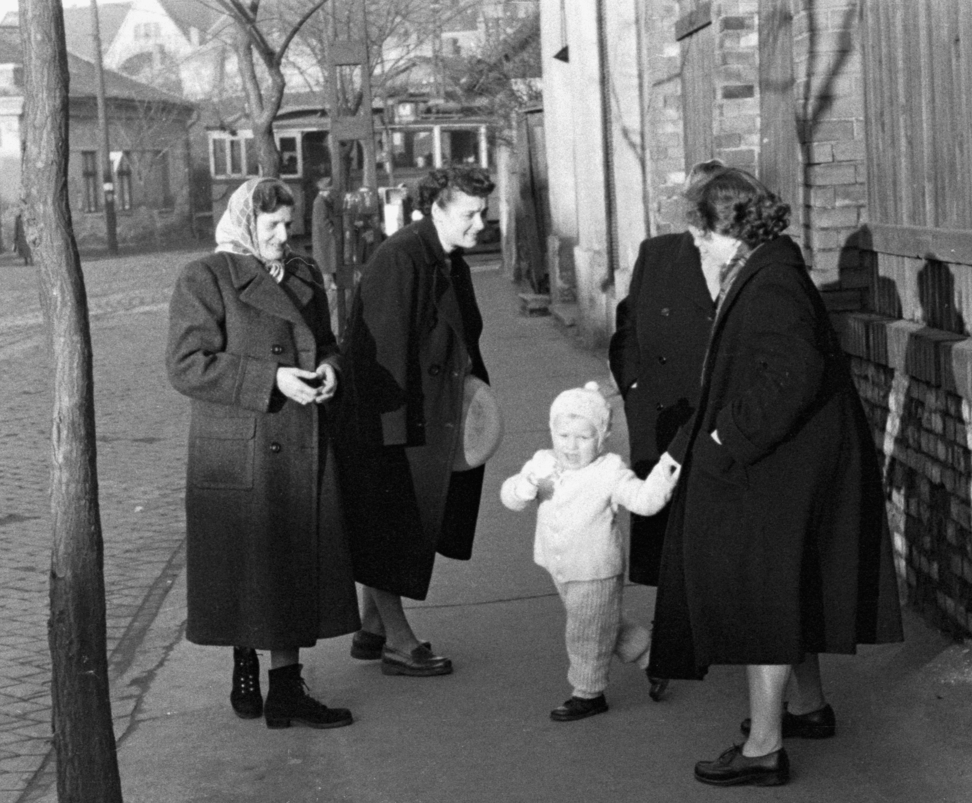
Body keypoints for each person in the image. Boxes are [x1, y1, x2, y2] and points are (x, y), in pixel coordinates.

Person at [647, 169, 904, 787]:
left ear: (727, 230)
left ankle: (764, 747)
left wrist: (723, 438)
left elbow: (793, 374)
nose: (697, 247)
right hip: (797, 460)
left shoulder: (770, 282)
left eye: (702, 236)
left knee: (763, 594)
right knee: (791, 582)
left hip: (781, 464)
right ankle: (807, 707)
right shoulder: (768, 268)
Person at [165, 176, 356, 729]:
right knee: (251, 567)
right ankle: (245, 663)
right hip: (240, 447)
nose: (281, 235)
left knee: (289, 560)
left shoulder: (302, 273)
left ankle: (286, 689)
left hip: (298, 437)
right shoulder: (206, 276)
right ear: (246, 222)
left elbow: (327, 344)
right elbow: (186, 364)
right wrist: (272, 380)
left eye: (286, 223)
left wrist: (329, 372)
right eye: (269, 224)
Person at [338, 165, 495, 677]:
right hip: (393, 424)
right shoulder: (401, 258)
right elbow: (376, 357)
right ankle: (398, 642)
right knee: (393, 526)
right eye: (470, 214)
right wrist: (388, 443)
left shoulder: (447, 259)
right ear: (437, 209)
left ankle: (372, 626)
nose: (480, 225)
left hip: (429, 419)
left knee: (398, 527)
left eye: (483, 213)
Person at [500, 382, 681, 722]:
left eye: (583, 438)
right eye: (563, 435)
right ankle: (654, 657)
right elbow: (509, 498)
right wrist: (523, 487)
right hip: (560, 567)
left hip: (596, 569)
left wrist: (662, 476)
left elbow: (644, 501)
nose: (571, 446)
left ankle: (588, 692)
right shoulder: (543, 463)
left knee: (585, 633)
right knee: (602, 623)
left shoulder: (609, 471)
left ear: (601, 438)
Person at [608, 159, 726, 587]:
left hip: (719, 417)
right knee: (666, 539)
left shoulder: (740, 261)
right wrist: (634, 388)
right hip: (662, 415)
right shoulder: (657, 255)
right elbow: (628, 329)